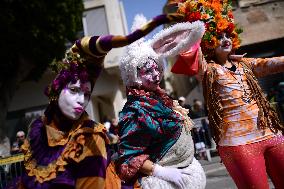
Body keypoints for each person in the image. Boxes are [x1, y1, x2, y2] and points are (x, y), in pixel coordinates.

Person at [6, 13, 180, 189]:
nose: (81, 100)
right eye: (74, 90)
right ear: (57, 91)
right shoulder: (37, 131)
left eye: (87, 94)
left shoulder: (89, 138)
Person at [173, 0, 284, 188]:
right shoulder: (208, 70)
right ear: (208, 43)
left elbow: (273, 63)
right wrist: (195, 21)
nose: (225, 39)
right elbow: (189, 52)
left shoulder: (245, 64)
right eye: (218, 36)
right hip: (239, 144)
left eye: (227, 35)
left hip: (271, 135)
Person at [116, 15, 206, 189]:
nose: (156, 75)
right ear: (133, 74)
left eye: (157, 68)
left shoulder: (159, 98)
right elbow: (128, 156)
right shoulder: (135, 110)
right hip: (166, 182)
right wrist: (161, 172)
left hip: (187, 174)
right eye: (148, 71)